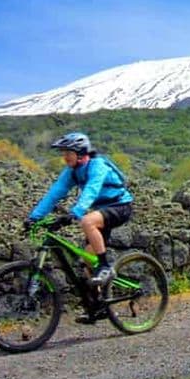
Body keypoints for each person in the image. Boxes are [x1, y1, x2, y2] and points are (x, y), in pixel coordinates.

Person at [25, 132, 133, 322]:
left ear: (81, 153)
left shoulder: (97, 165)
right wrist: (34, 217)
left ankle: (105, 266)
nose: (65, 157)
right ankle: (98, 307)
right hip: (101, 211)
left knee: (87, 221)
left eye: (69, 153)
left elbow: (92, 189)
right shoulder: (72, 171)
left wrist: (75, 212)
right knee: (86, 263)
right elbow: (54, 193)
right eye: (64, 153)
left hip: (120, 206)